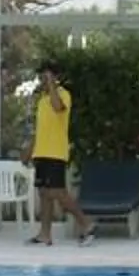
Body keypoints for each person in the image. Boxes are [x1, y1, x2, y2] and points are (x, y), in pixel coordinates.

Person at [27, 66, 91, 247]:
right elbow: (40, 130)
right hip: (42, 152)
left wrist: (52, 83)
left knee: (56, 192)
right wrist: (29, 151)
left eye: (46, 77)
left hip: (55, 152)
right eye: (41, 77)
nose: (43, 80)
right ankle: (44, 234)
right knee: (44, 194)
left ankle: (86, 223)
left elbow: (58, 108)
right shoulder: (42, 100)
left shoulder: (63, 94)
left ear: (56, 78)